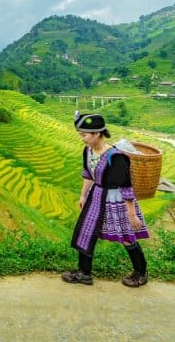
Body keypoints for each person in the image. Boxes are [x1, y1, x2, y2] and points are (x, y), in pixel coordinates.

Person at [62, 111, 150, 287]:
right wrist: (83, 194)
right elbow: (88, 174)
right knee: (86, 232)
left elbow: (126, 187)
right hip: (96, 195)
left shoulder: (116, 157)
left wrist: (132, 215)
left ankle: (141, 273)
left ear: (97, 134)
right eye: (81, 135)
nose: (82, 138)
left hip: (117, 200)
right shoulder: (88, 151)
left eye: (84, 135)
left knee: (127, 236)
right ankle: (83, 273)